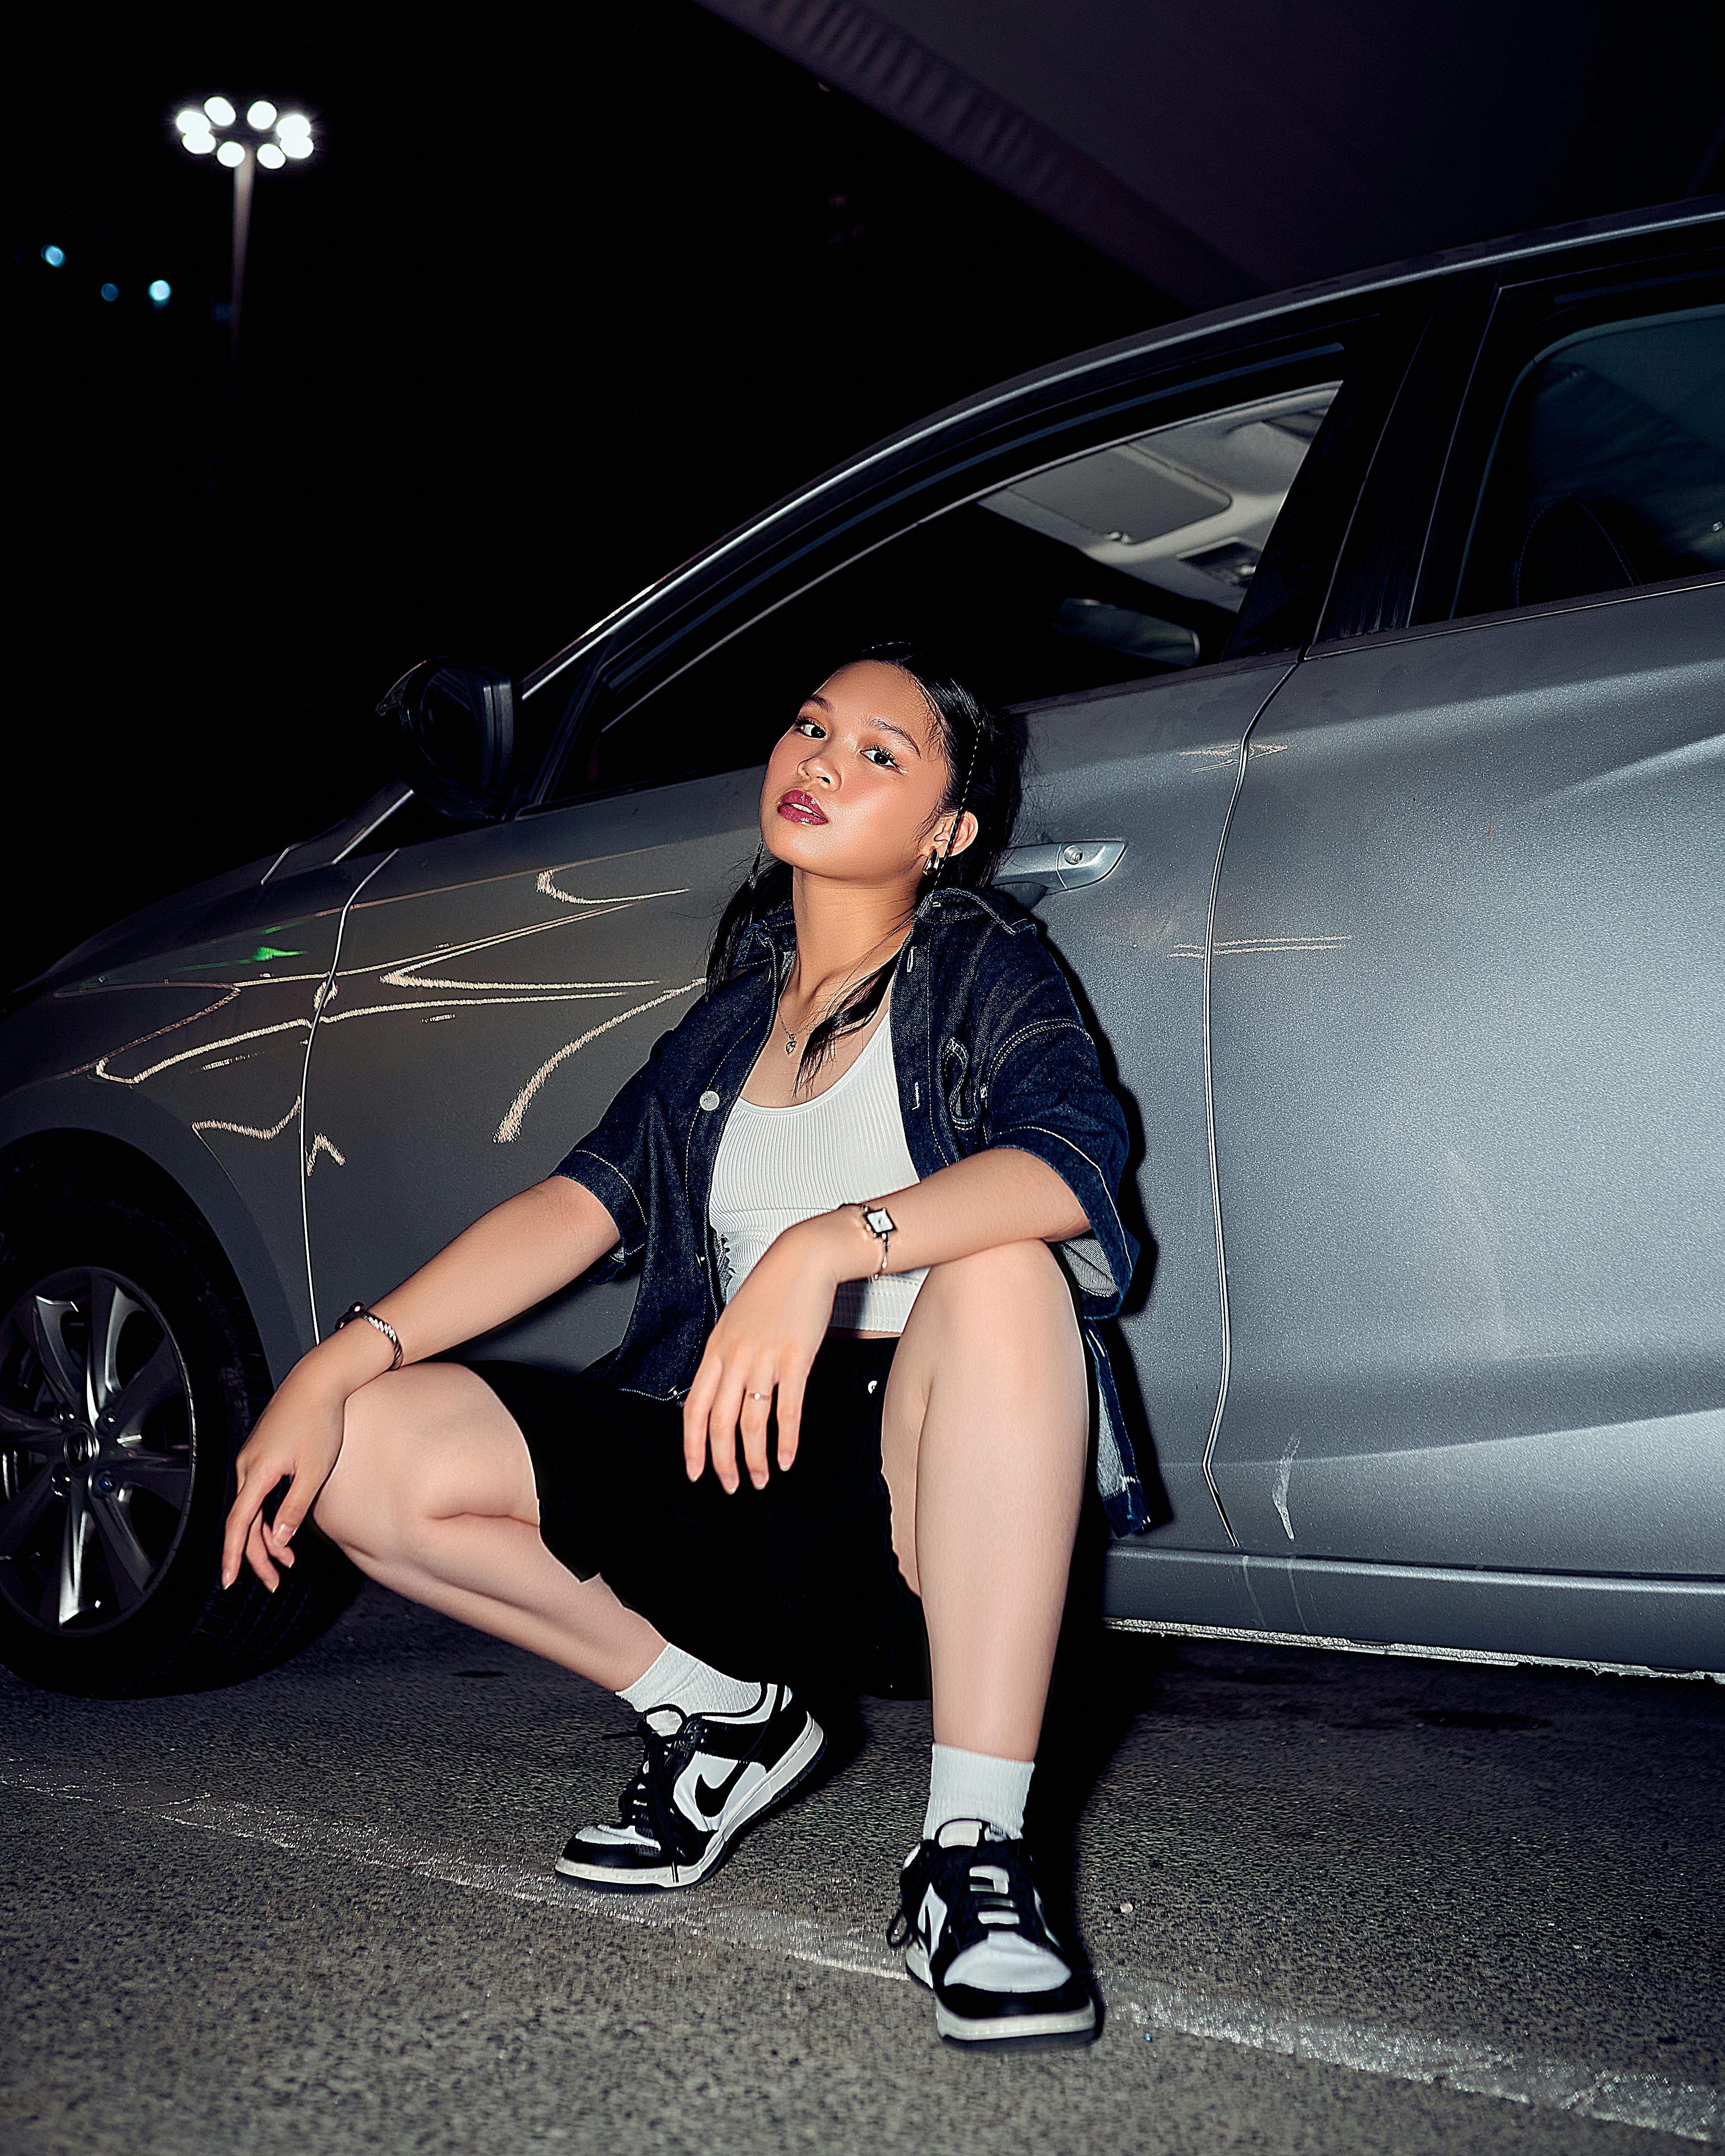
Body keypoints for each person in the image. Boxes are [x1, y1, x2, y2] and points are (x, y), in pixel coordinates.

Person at [220, 644, 1143, 2051]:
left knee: (1006, 1266)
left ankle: (970, 1854)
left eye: (881, 752)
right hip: (723, 1442)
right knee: (364, 1448)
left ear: (948, 832)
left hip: (917, 1499)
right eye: (811, 726)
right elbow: (573, 1206)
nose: (822, 758)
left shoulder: (979, 964)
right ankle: (719, 1714)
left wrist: (823, 1246)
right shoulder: (724, 1026)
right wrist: (337, 1360)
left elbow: (1071, 1164)